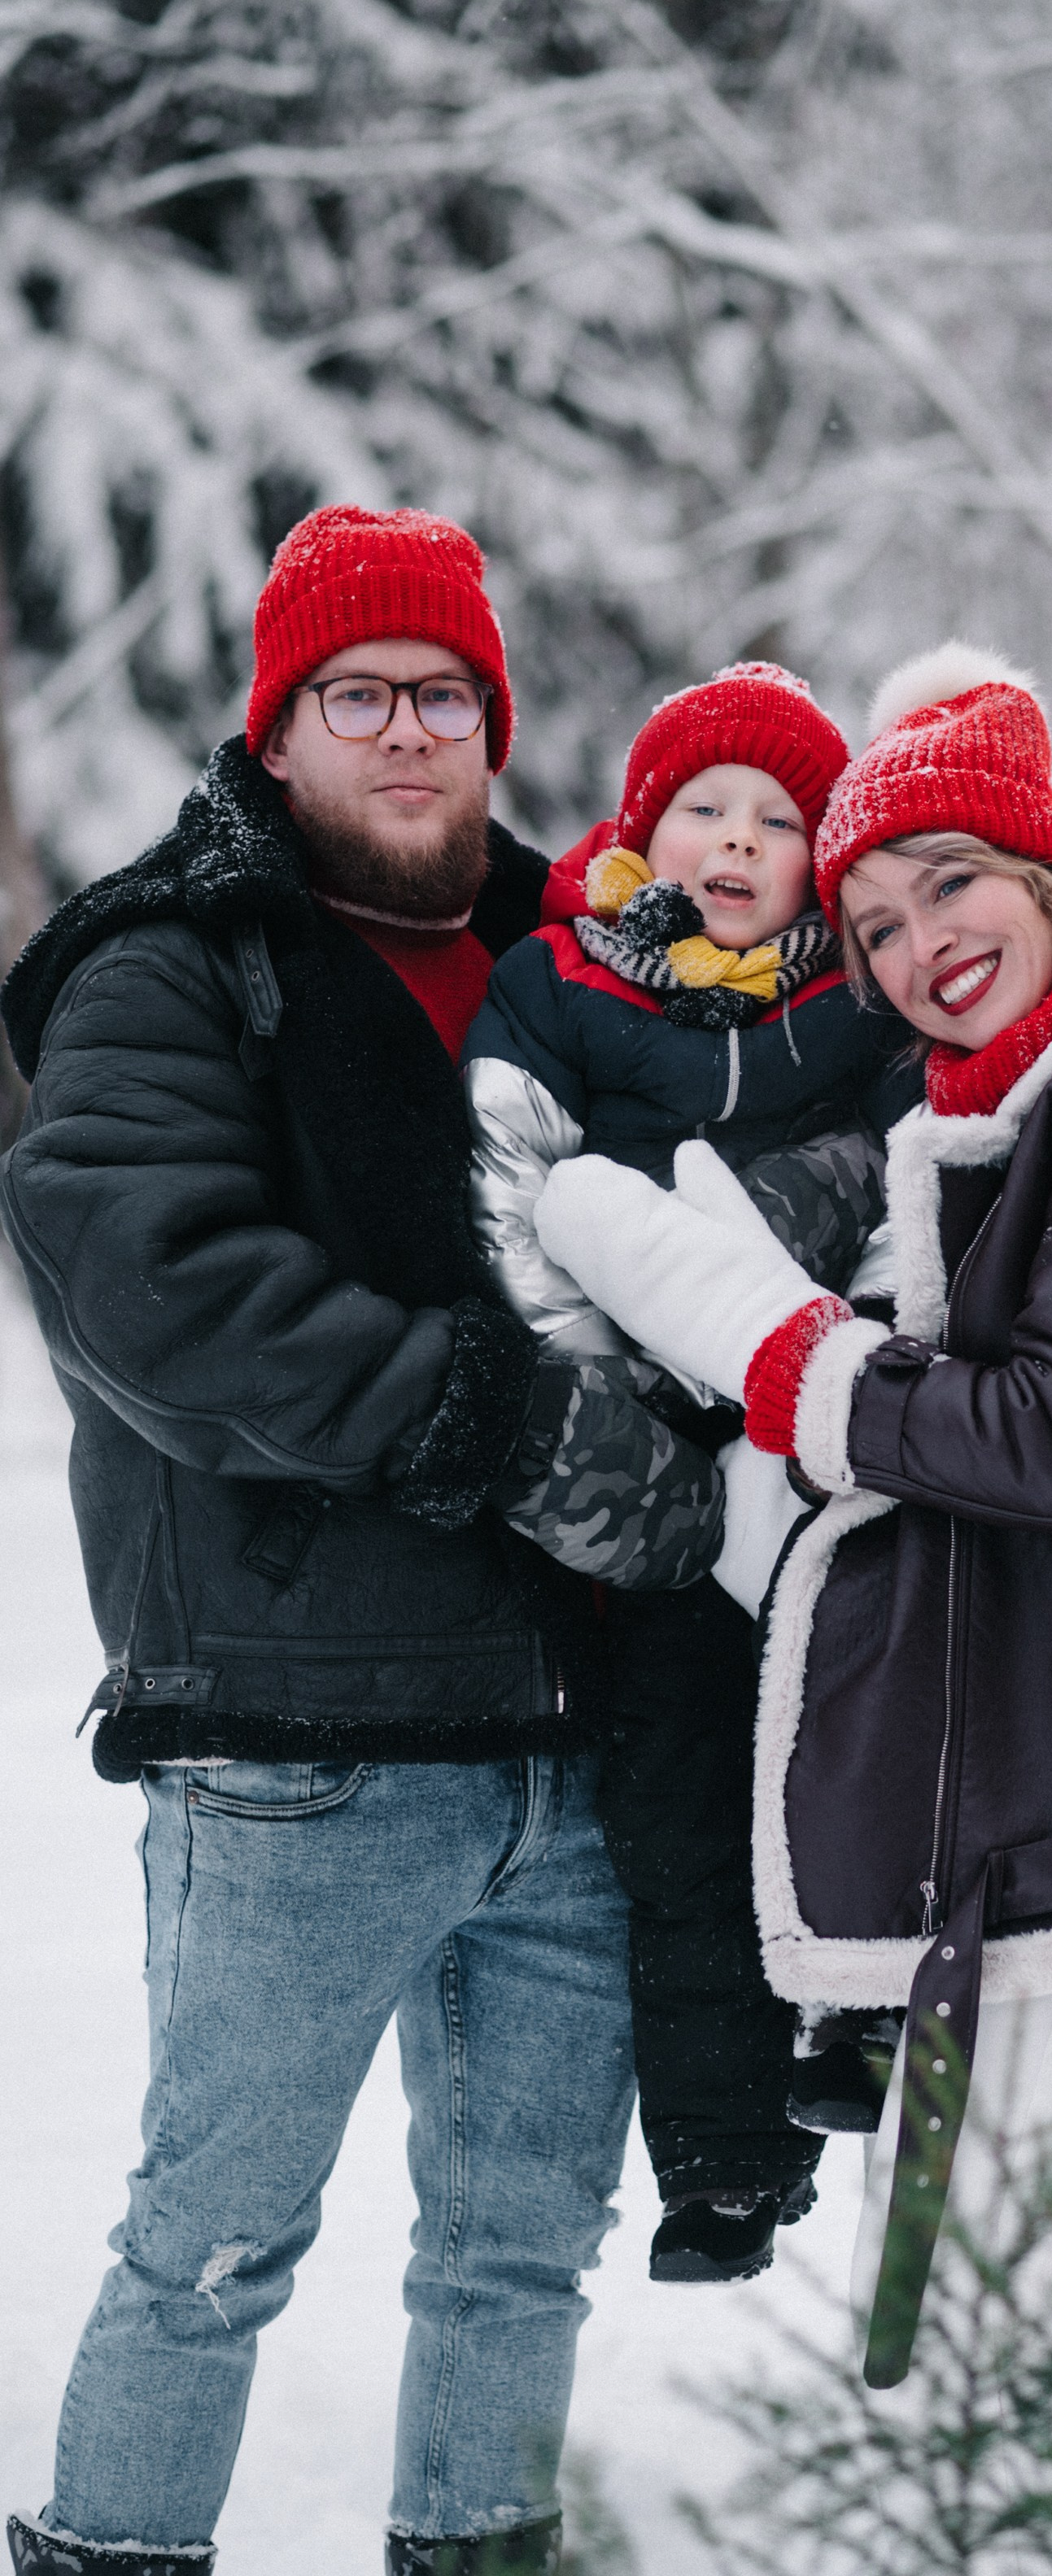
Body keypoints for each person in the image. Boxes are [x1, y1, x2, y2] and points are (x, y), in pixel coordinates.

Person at [1, 505, 800, 2576]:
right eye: (357, 695)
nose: (408, 732)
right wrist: (497, 1421)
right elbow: (147, 1284)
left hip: (584, 1740)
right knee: (210, 2248)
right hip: (301, 1745)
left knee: (520, 2263)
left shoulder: (592, 958)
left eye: (445, 694)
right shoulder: (178, 964)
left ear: (492, 722)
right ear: (278, 730)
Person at [530, 642, 1052, 2388]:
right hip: (1048, 1755)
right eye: (879, 924)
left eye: (950, 885)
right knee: (966, 2264)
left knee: (1018, 2281)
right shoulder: (1029, 1094)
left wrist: (776, 1349)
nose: (920, 948)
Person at [461, 660, 916, 2282]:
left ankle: (856, 2024)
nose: (735, 837)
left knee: (846, 1749)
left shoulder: (858, 1003)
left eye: (777, 817)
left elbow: (911, 1186)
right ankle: (720, 2153)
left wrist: (833, 1331)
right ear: (647, 836)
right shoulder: (563, 978)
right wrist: (618, 1390)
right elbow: (514, 1185)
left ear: (822, 857)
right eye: (701, 809)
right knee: (674, 1792)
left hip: (814, 1442)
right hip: (652, 1454)